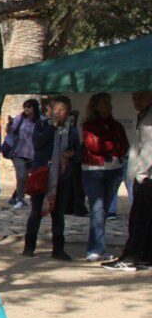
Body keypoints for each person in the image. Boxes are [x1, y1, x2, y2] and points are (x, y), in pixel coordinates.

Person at [22, 95, 81, 260]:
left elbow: (78, 153)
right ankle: (29, 246)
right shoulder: (42, 125)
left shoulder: (72, 131)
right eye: (56, 109)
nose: (59, 113)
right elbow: (38, 144)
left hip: (61, 177)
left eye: (62, 110)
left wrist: (72, 154)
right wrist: (52, 128)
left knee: (59, 214)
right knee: (36, 212)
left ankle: (58, 249)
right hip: (43, 174)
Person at [80, 92, 129, 263]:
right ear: (96, 106)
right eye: (104, 103)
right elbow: (94, 146)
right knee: (97, 209)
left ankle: (100, 247)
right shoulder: (88, 125)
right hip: (94, 170)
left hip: (114, 170)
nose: (108, 107)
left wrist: (112, 147)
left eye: (109, 103)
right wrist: (112, 146)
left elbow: (124, 145)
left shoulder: (116, 126)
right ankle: (95, 248)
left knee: (105, 210)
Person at [106, 91, 152, 271]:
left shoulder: (149, 118)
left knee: (138, 219)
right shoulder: (144, 115)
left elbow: (149, 148)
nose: (136, 102)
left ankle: (131, 257)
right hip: (146, 176)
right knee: (145, 219)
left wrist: (141, 174)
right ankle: (146, 255)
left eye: (140, 97)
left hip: (146, 177)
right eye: (134, 98)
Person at [5, 99, 45, 209]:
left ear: (34, 108)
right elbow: (10, 131)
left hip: (33, 153)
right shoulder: (20, 118)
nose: (26, 109)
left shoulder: (41, 120)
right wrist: (10, 124)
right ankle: (20, 199)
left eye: (29, 107)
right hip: (18, 152)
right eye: (25, 107)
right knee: (21, 176)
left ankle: (17, 197)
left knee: (26, 178)